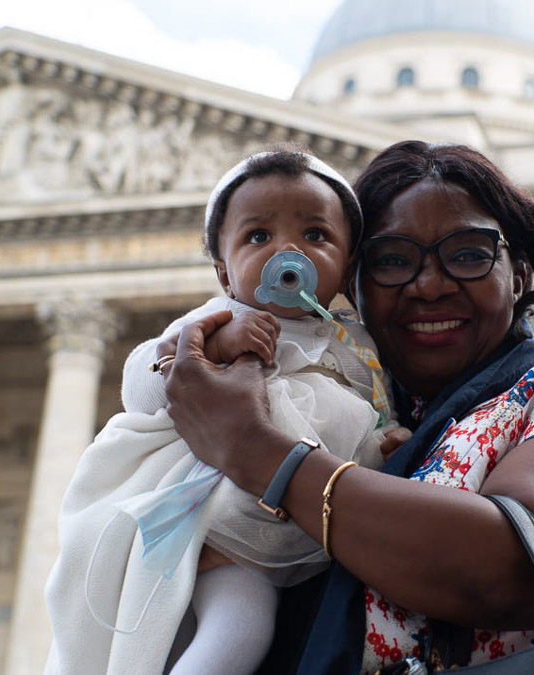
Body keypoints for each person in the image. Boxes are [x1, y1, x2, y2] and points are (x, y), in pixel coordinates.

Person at [156, 140, 534, 673]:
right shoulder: (344, 408)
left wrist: (256, 451)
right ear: (351, 284)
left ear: (520, 272)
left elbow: (522, 565)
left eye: (468, 254)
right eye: (391, 261)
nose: (429, 285)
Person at [44, 150, 404, 675]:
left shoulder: (355, 348)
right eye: (258, 236)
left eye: (315, 235)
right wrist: (210, 349)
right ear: (223, 271)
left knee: (243, 633)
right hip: (207, 519)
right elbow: (142, 391)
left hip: (279, 530)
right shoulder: (216, 321)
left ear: (348, 267)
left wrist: (388, 441)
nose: (287, 249)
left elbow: (363, 420)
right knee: (211, 633)